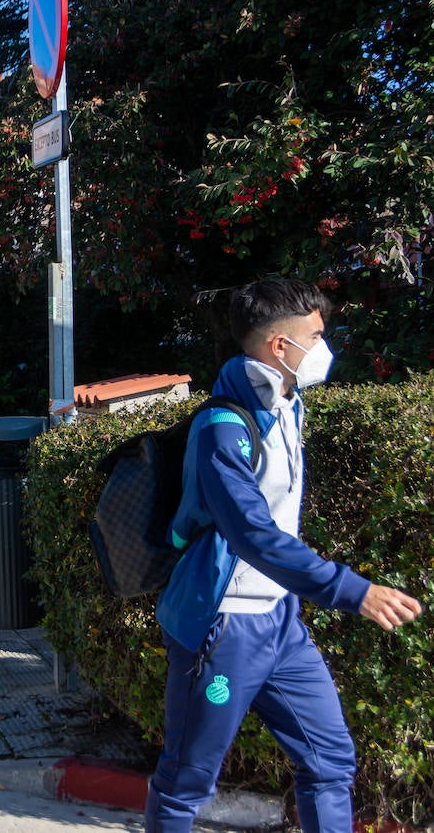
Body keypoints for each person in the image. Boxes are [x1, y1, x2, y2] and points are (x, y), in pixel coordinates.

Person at [145, 279, 422, 830]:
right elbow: (253, 534)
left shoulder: (285, 405)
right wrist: (353, 589)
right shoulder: (222, 428)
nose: (325, 345)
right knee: (186, 781)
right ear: (279, 346)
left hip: (279, 622)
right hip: (223, 628)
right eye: (316, 335)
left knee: (330, 762)